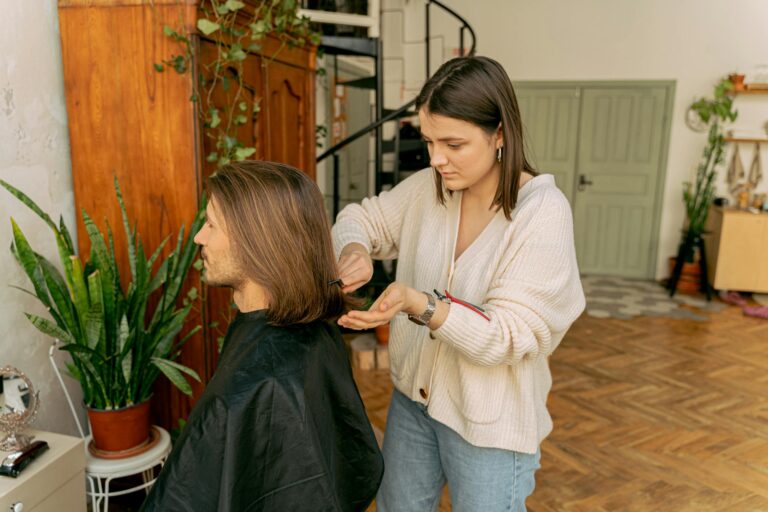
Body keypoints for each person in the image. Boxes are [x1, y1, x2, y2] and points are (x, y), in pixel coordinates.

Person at [332, 56, 585, 511]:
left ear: (500, 134)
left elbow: (508, 337)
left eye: (453, 143)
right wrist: (355, 251)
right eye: (428, 141)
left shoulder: (541, 213)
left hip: (491, 426)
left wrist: (422, 305)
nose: (436, 159)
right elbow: (360, 218)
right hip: (413, 405)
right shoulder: (431, 188)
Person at [141, 161, 384, 512]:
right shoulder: (314, 329)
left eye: (211, 224)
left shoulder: (254, 387)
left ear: (258, 241)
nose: (199, 237)